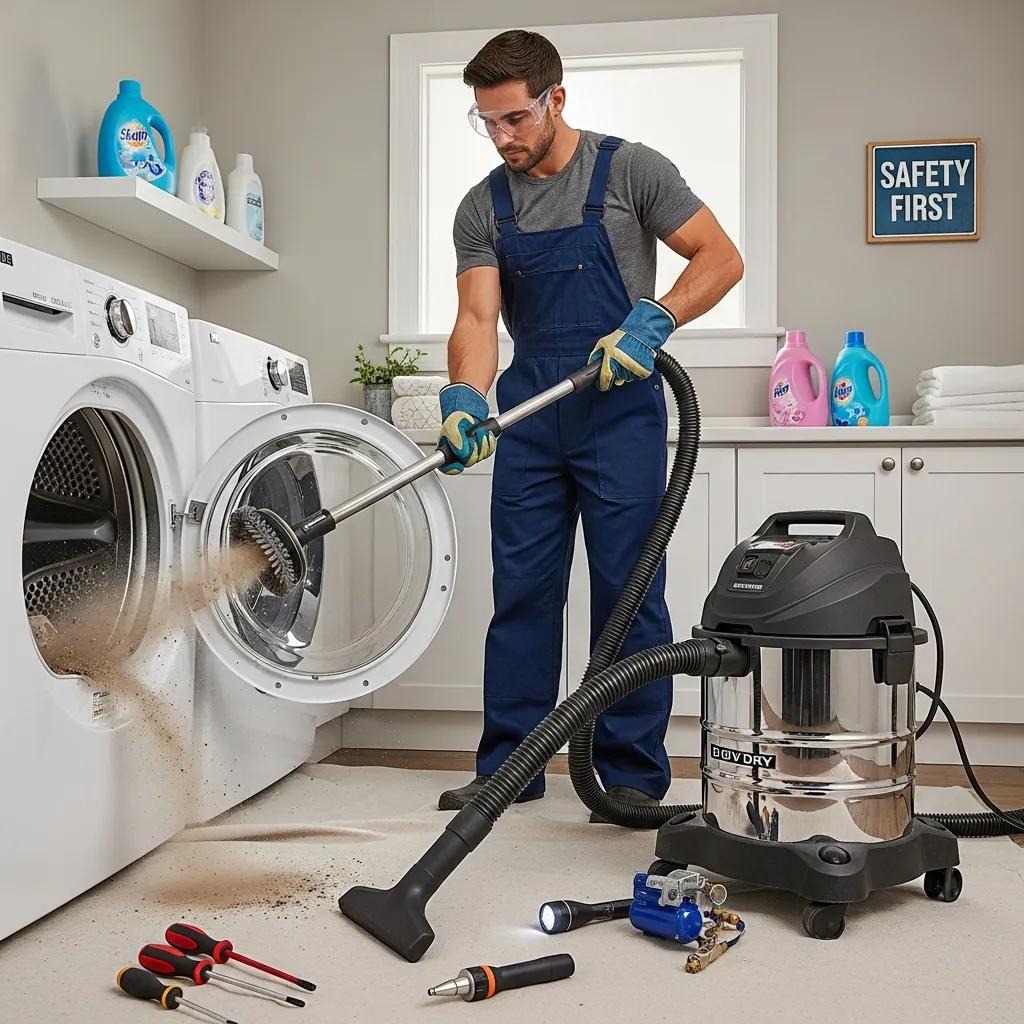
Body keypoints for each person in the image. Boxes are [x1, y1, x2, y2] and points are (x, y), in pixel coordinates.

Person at [436, 29, 743, 818]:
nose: (502, 137)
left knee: (629, 593)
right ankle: (511, 767)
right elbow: (478, 318)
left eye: (515, 118)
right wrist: (465, 395)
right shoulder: (484, 206)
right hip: (533, 418)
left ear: (556, 99)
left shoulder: (630, 170)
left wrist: (654, 320)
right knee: (522, 595)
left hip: (620, 414)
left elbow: (719, 257)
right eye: (487, 122)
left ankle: (631, 775)